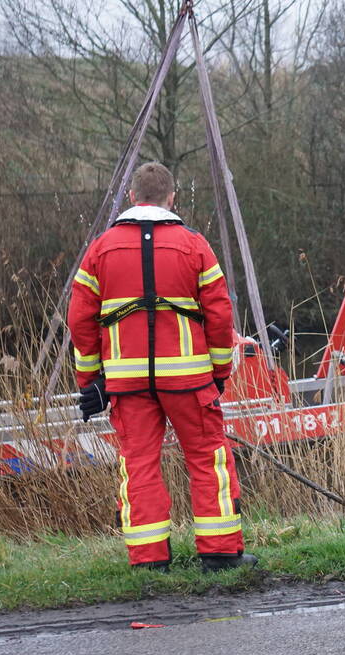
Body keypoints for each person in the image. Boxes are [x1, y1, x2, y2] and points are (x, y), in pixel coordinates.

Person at [67, 162, 256, 573]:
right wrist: (219, 373)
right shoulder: (195, 246)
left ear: (132, 197)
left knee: (138, 464)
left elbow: (80, 319)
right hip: (188, 379)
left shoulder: (100, 250)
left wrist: (92, 381)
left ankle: (149, 562)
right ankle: (221, 555)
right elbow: (220, 315)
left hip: (127, 383)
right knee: (208, 458)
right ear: (172, 198)